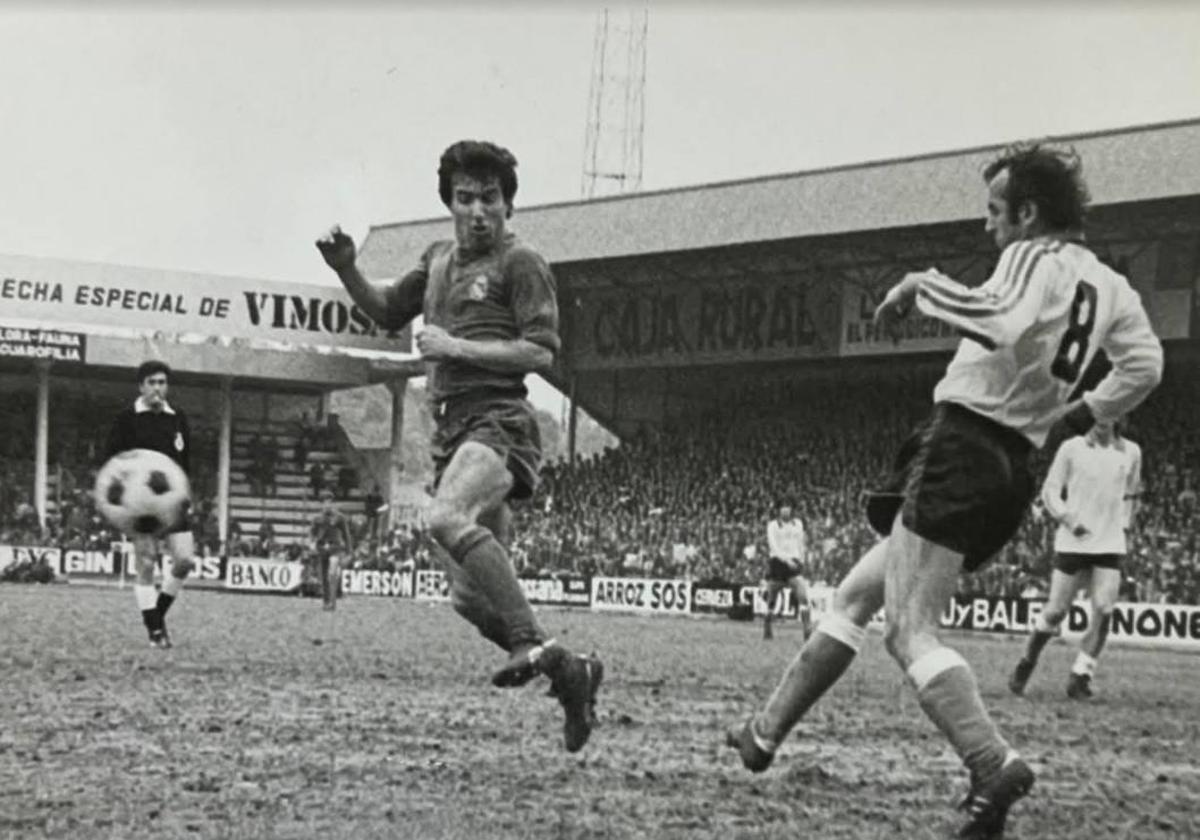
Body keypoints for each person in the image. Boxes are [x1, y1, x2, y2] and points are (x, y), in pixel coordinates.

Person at [725, 143, 1163, 839]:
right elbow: (1146, 366)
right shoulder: (1110, 285)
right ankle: (763, 732)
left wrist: (919, 284)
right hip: (1011, 465)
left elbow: (1000, 318)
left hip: (963, 442)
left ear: (1028, 212)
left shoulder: (1032, 255)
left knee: (908, 627)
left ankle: (992, 762)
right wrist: (1076, 415)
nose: (989, 226)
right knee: (857, 596)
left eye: (995, 211)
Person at [316, 139, 602, 752]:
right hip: (451, 432)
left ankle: (530, 640)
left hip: (500, 420)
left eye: (490, 199)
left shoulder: (522, 263)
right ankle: (571, 670)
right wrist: (346, 270)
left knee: (443, 516)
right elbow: (390, 309)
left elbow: (540, 351)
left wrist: (457, 349)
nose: (478, 210)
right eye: (466, 198)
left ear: (508, 206)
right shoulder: (438, 259)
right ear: (448, 201)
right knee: (470, 600)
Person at [1009, 420, 1141, 699]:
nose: (1101, 419)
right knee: (1056, 611)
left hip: (1109, 543)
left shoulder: (1131, 452)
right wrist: (1068, 519)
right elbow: (1050, 490)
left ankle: (1080, 675)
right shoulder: (1071, 448)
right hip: (1074, 541)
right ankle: (1027, 661)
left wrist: (1125, 525)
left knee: (1105, 609)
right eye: (1096, 414)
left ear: (1119, 416)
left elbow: (1131, 493)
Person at [103, 361, 197, 649]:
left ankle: (154, 616)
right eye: (152, 383)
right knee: (146, 562)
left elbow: (185, 461)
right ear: (141, 386)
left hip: (173, 502)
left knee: (184, 561)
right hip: (139, 505)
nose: (158, 388)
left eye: (162, 383)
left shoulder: (177, 418)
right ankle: (156, 630)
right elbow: (112, 461)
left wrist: (188, 497)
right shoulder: (127, 419)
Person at [763, 503, 812, 640]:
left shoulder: (798, 524)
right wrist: (786, 561)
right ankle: (767, 626)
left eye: (787, 507)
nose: (785, 509)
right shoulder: (773, 525)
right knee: (772, 596)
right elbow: (773, 546)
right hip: (778, 563)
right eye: (782, 507)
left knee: (802, 595)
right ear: (779, 510)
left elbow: (800, 543)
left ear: (792, 509)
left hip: (794, 562)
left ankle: (807, 630)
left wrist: (802, 560)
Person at [310, 491, 353, 610]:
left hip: (335, 548)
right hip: (322, 548)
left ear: (333, 503)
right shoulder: (317, 519)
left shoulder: (339, 518)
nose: (327, 505)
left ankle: (333, 602)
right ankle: (326, 600)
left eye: (329, 502)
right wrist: (312, 543)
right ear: (321, 504)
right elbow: (312, 533)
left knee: (332, 572)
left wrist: (349, 553)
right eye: (324, 502)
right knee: (323, 576)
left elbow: (346, 535)